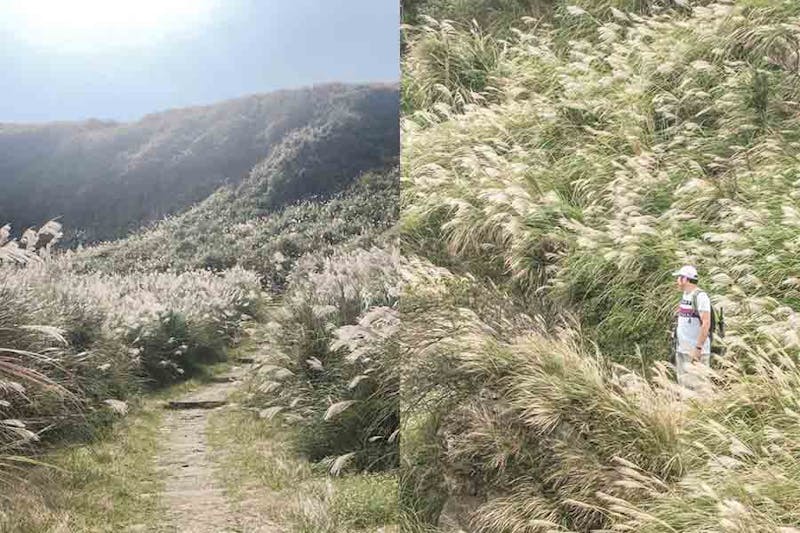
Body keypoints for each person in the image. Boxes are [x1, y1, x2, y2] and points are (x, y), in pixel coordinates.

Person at [672, 265, 711, 391]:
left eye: (679, 278)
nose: (677, 281)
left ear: (685, 279)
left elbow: (706, 323)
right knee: (684, 389)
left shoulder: (701, 296)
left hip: (696, 352)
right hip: (682, 349)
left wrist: (698, 349)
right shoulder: (685, 295)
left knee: (699, 389)